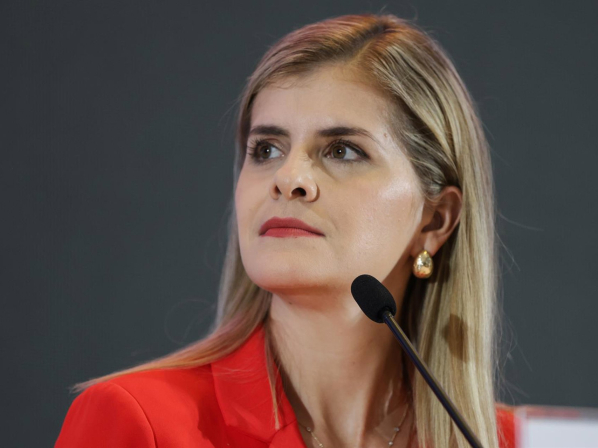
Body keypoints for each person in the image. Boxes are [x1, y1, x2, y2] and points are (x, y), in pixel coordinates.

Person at [55, 13, 515, 448]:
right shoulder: (140, 422)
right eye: (267, 149)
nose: (288, 178)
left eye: (342, 151)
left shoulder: (511, 440)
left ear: (435, 220)